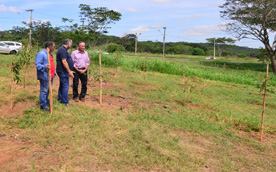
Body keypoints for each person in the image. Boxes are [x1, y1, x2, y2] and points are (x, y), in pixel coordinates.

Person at [35, 41, 56, 112]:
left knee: (48, 90)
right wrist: (45, 66)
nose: (54, 48)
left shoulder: (49, 54)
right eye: (54, 47)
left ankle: (46, 102)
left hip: (51, 76)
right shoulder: (41, 54)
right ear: (49, 47)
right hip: (45, 76)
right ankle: (43, 106)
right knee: (44, 91)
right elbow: (37, 65)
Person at [56, 39, 74, 106]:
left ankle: (60, 98)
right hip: (63, 71)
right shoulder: (62, 50)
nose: (71, 45)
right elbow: (64, 61)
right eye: (71, 43)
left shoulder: (64, 49)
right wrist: (69, 71)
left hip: (63, 71)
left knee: (62, 85)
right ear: (68, 43)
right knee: (65, 86)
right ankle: (65, 102)